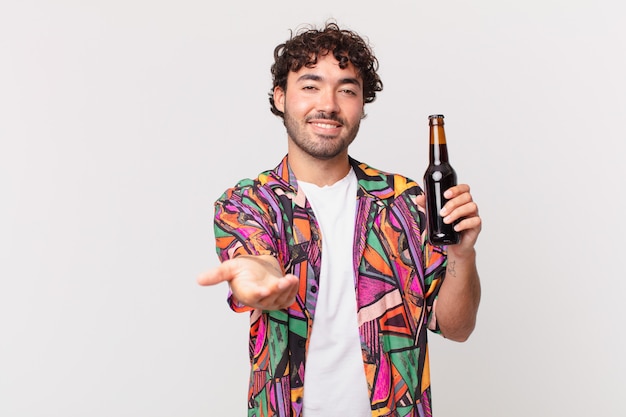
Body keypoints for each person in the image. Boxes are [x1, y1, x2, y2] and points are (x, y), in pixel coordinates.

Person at [198, 21, 481, 417]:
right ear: (280, 97)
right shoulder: (249, 201)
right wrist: (257, 277)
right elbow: (255, 261)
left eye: (346, 89)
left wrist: (463, 255)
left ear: (362, 104)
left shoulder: (406, 203)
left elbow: (457, 327)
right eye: (310, 86)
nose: (328, 104)